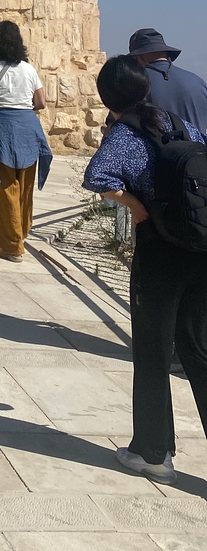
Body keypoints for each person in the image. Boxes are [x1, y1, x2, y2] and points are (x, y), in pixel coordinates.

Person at [83, 54, 207, 484]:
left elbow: (98, 176)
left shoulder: (125, 132)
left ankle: (153, 453)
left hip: (159, 253)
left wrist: (136, 207)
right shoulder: (180, 124)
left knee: (153, 353)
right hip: (200, 247)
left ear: (107, 97)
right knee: (200, 351)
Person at [0, 20, 51, 262]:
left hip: (1, 127)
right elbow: (41, 102)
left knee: (3, 186)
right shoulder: (28, 69)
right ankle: (21, 232)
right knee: (25, 185)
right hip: (28, 127)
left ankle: (11, 245)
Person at [129, 28, 207, 135]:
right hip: (198, 145)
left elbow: (114, 127)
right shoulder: (198, 83)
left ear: (136, 58)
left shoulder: (133, 84)